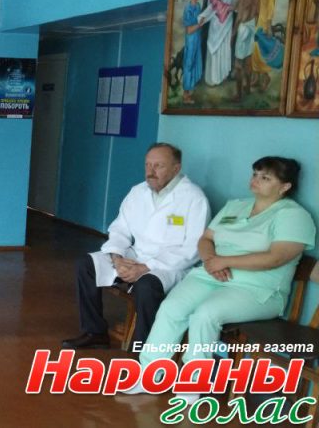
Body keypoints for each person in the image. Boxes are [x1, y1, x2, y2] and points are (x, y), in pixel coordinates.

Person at [128, 157, 316, 402]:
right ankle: (149, 375)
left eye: (265, 178)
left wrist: (225, 261)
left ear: (285, 186)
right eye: (255, 174)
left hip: (258, 289)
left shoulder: (294, 216)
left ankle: (192, 385)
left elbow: (277, 257)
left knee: (206, 314)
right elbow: (206, 239)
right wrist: (210, 261)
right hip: (210, 275)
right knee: (171, 308)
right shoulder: (236, 206)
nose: (255, 180)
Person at [62, 143, 210, 350]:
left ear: (176, 168)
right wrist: (117, 258)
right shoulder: (138, 191)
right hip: (136, 255)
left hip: (169, 265)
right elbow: (120, 228)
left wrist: (146, 267)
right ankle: (94, 332)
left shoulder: (194, 198)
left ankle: (142, 349)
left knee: (146, 286)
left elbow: (193, 249)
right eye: (147, 165)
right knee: (86, 265)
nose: (151, 171)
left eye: (158, 166)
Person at [200, 0, 240, 86]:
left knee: (225, 46)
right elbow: (215, 4)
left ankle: (223, 74)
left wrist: (237, 3)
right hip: (217, 21)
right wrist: (229, 8)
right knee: (215, 47)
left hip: (228, 21)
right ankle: (214, 78)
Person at [232, 0, 259, 101]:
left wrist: (233, 33)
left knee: (238, 63)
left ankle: (239, 94)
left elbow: (239, 14)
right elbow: (255, 11)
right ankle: (247, 88)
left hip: (244, 27)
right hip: (251, 25)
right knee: (248, 60)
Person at [249, 0, 277, 92]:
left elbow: (271, 5)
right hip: (259, 19)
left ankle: (265, 76)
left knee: (263, 49)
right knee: (255, 48)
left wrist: (269, 25)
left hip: (266, 20)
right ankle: (256, 74)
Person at [183, 0, 207, 104]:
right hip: (191, 40)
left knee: (195, 63)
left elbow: (198, 21)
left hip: (197, 39)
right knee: (189, 64)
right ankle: (186, 94)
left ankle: (189, 91)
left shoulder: (198, 6)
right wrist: (199, 24)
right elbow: (189, 30)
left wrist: (202, 20)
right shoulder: (188, 9)